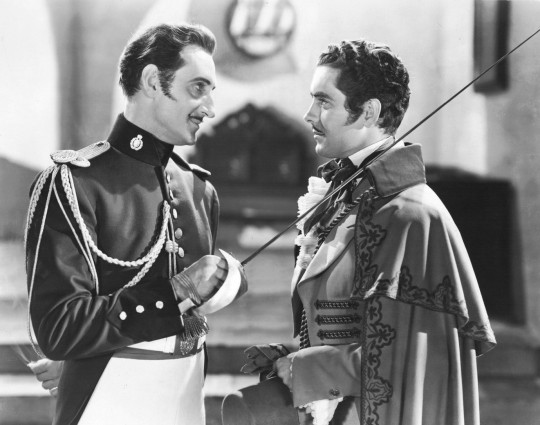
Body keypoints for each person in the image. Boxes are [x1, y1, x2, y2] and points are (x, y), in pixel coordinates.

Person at [25, 23, 245, 425]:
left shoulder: (199, 189)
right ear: (152, 81)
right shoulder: (75, 183)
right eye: (198, 88)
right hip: (107, 402)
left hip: (186, 399)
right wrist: (176, 290)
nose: (210, 108)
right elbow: (57, 328)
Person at [269, 40, 497, 424]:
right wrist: (292, 354)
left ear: (368, 112)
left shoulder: (412, 216)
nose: (309, 115)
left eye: (324, 102)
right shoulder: (348, 192)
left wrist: (304, 367)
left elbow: (406, 357)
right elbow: (343, 319)